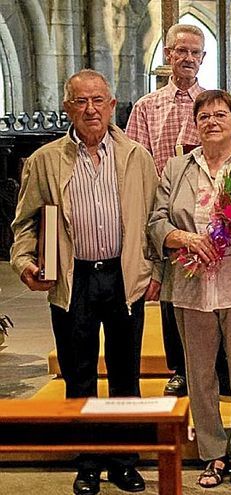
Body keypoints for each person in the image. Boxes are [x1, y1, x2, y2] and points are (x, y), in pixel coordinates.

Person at [11, 69, 158, 495]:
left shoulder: (136, 156)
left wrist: (156, 273)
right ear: (67, 107)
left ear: (113, 105)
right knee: (79, 375)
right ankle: (88, 461)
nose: (90, 109)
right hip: (72, 278)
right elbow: (24, 224)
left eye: (98, 100)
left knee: (126, 375)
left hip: (123, 276)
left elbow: (153, 221)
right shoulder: (44, 160)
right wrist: (24, 263)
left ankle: (125, 461)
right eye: (80, 101)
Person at [148, 89, 231, 488]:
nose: (211, 122)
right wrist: (182, 239)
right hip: (191, 287)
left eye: (220, 114)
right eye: (204, 116)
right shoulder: (176, 168)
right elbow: (155, 221)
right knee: (200, 375)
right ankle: (212, 454)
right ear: (196, 123)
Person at [126, 22, 230, 398]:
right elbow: (134, 160)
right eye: (180, 51)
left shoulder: (214, 101)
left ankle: (222, 367)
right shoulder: (146, 106)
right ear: (168, 55)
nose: (187, 58)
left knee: (219, 290)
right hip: (167, 209)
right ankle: (181, 368)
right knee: (174, 293)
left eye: (195, 52)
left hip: (214, 208)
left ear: (203, 58)